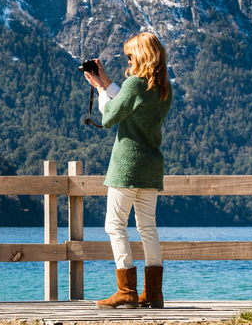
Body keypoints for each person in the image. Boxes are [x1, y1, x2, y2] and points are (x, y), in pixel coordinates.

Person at [82, 32, 172, 310]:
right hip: (151, 165)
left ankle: (127, 292)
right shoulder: (162, 89)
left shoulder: (134, 84)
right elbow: (129, 104)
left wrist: (99, 89)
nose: (129, 60)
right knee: (148, 228)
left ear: (143, 55)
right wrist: (105, 81)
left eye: (131, 55)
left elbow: (110, 116)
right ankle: (153, 293)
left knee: (115, 225)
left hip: (128, 165)